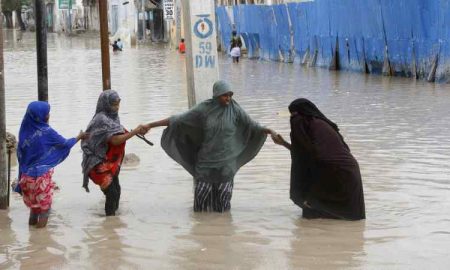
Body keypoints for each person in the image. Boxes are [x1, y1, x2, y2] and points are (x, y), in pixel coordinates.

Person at [144, 80, 275, 212]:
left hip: (226, 164)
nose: (228, 98)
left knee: (224, 203)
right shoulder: (204, 108)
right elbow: (178, 119)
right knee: (201, 201)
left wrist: (270, 131)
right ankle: (200, 230)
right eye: (225, 95)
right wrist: (150, 125)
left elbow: (253, 125)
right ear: (216, 95)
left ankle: (223, 229)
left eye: (230, 95)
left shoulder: (235, 109)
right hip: (206, 162)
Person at [271, 98, 365, 220]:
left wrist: (299, 195)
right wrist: (283, 143)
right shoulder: (322, 124)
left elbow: (304, 155)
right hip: (350, 171)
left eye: (294, 115)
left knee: (313, 212)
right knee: (346, 218)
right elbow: (308, 152)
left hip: (329, 171)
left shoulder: (301, 122)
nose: (293, 119)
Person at [16, 101, 88, 228]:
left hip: (26, 178)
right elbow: (65, 144)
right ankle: (40, 241)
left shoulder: (24, 133)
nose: (49, 115)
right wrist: (79, 136)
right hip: (41, 177)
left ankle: (31, 237)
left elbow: (21, 158)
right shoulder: (47, 131)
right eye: (47, 113)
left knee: (34, 208)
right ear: (43, 116)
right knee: (45, 209)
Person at [81, 90, 145, 216]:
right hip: (97, 163)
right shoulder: (101, 119)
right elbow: (115, 140)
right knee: (112, 193)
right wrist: (134, 132)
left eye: (118, 104)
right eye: (114, 104)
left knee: (117, 190)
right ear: (106, 104)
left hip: (109, 162)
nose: (117, 108)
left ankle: (112, 227)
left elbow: (118, 132)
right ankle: (109, 220)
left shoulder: (113, 117)